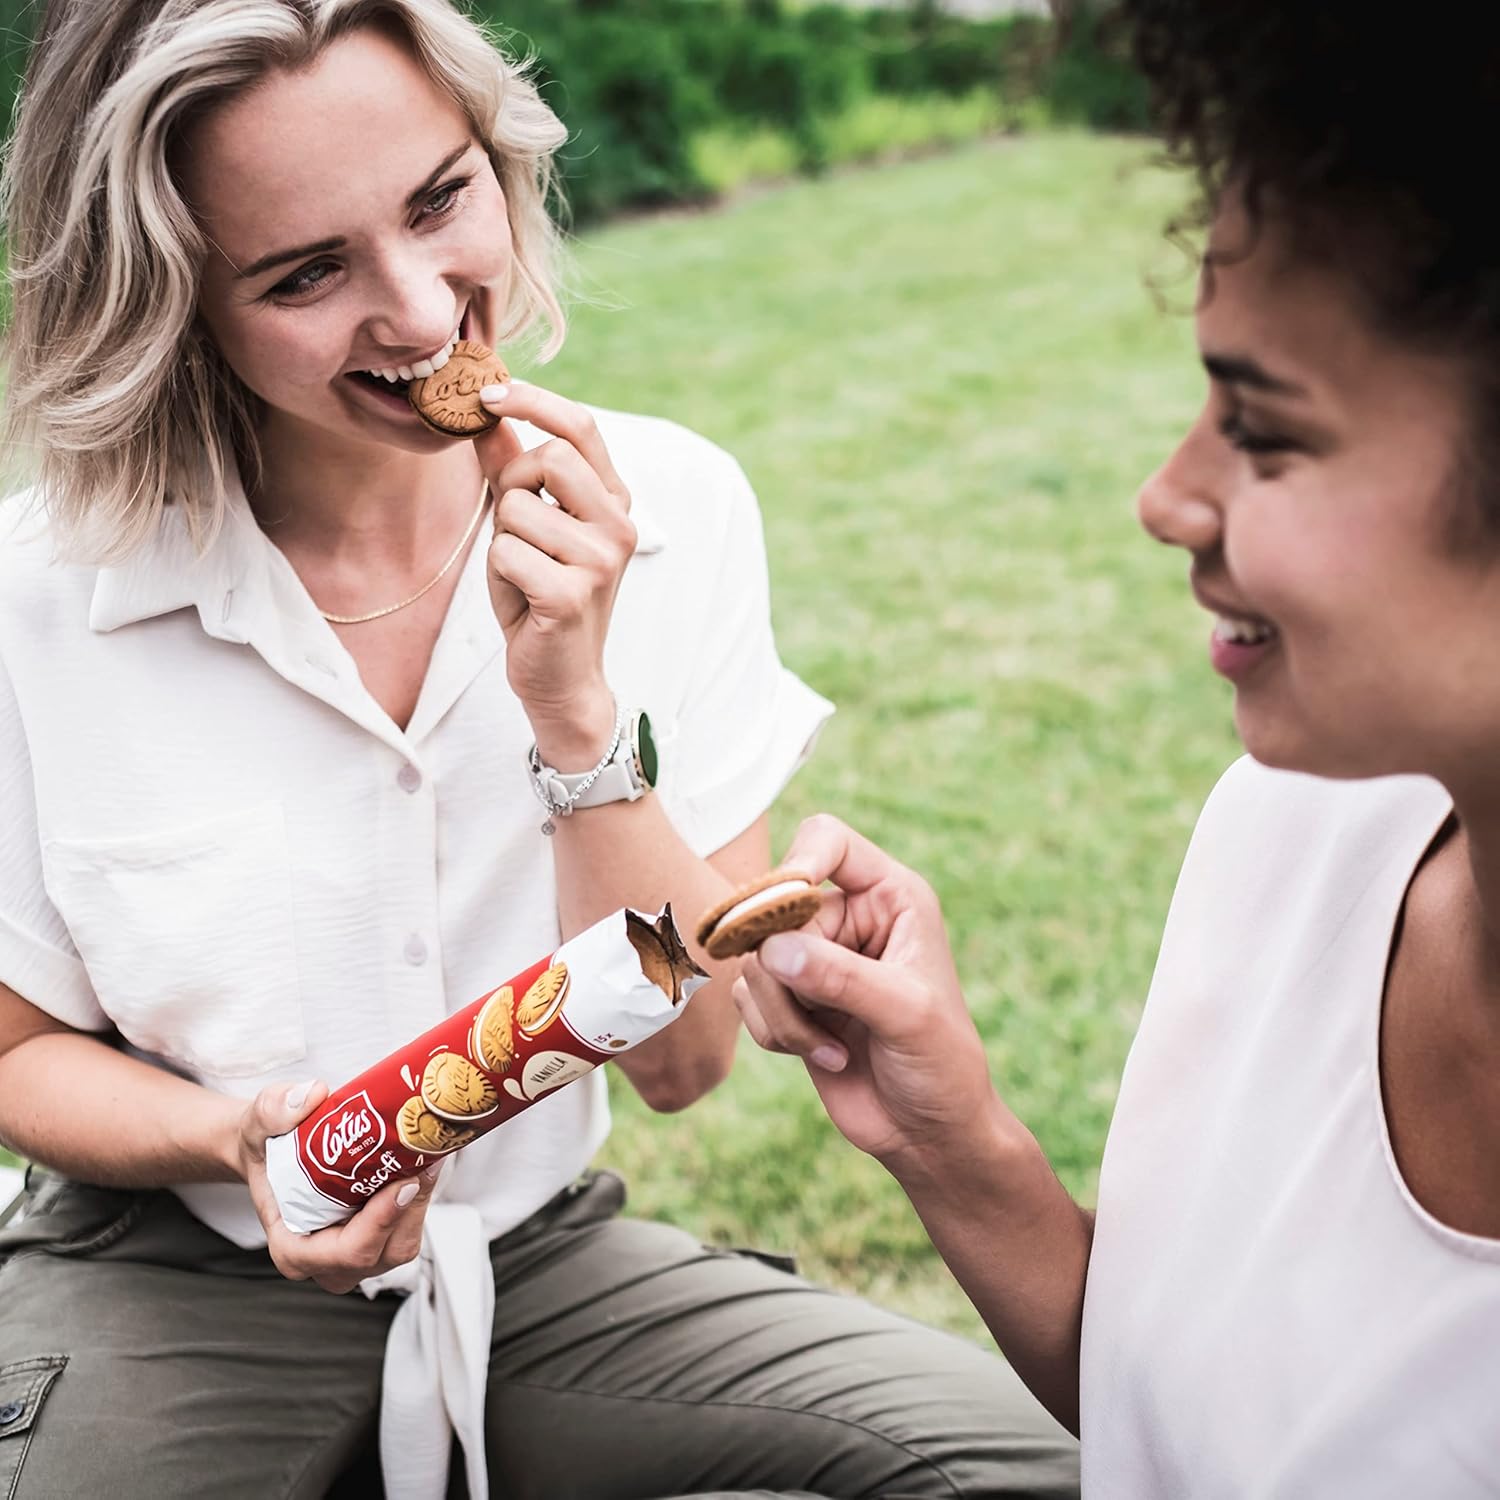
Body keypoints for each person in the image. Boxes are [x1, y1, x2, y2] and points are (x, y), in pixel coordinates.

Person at [0, 2, 1081, 1497]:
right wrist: (236, 1135)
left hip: (532, 1267)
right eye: (306, 273)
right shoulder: (44, 598)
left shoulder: (678, 509)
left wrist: (576, 714)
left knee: (1029, 1472)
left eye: (442, 200)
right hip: (166, 1277)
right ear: (177, 303)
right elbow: (14, 1051)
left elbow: (692, 1057)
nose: (422, 312)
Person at [734, 2, 1500, 1495]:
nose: (1168, 495)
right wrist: (955, 1144)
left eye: (1264, 433)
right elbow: (1198, 1432)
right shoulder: (1292, 826)